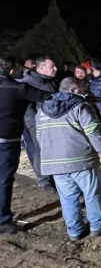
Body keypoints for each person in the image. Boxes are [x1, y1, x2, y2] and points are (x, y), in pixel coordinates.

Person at [36, 78, 101, 240]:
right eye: (83, 88)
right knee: (92, 194)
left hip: (55, 164)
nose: (86, 92)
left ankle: (75, 231)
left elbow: (38, 137)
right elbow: (93, 131)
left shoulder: (42, 110)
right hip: (81, 160)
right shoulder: (81, 106)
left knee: (68, 198)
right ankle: (98, 226)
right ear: (74, 89)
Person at [1, 57, 51, 233]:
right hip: (7, 140)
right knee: (4, 180)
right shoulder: (18, 88)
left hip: (8, 140)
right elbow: (46, 97)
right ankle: (3, 220)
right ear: (12, 72)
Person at [22, 56, 59, 193]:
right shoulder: (29, 83)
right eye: (52, 66)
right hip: (38, 123)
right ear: (41, 68)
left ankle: (55, 175)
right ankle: (44, 180)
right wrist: (34, 125)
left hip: (53, 121)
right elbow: (27, 109)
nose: (56, 69)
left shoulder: (50, 81)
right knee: (40, 151)